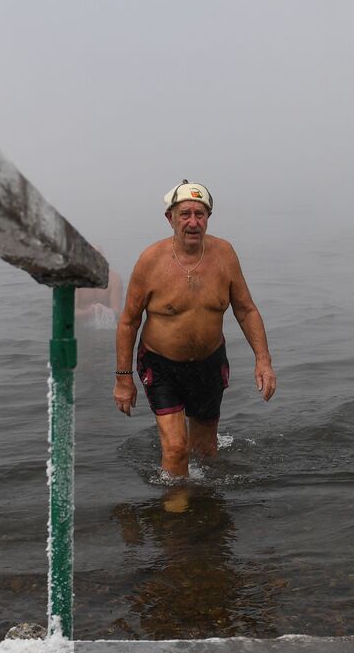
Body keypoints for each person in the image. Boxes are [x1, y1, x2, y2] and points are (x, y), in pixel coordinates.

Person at [113, 180, 276, 478]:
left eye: (199, 214)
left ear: (208, 218)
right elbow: (129, 320)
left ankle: (204, 514)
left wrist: (263, 360)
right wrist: (124, 379)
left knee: (205, 452)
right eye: (185, 214)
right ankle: (175, 518)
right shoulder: (150, 261)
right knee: (175, 450)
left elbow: (246, 309)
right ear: (170, 218)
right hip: (161, 365)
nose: (192, 222)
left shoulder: (224, 255)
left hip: (209, 363)